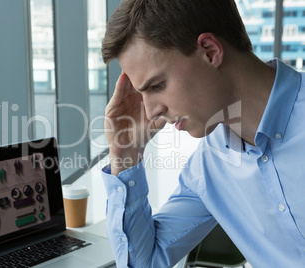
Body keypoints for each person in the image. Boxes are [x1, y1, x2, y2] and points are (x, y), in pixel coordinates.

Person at [100, 0, 305, 267]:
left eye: (157, 85)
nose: (151, 113)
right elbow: (144, 262)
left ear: (210, 51)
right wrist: (125, 153)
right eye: (142, 93)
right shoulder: (209, 167)